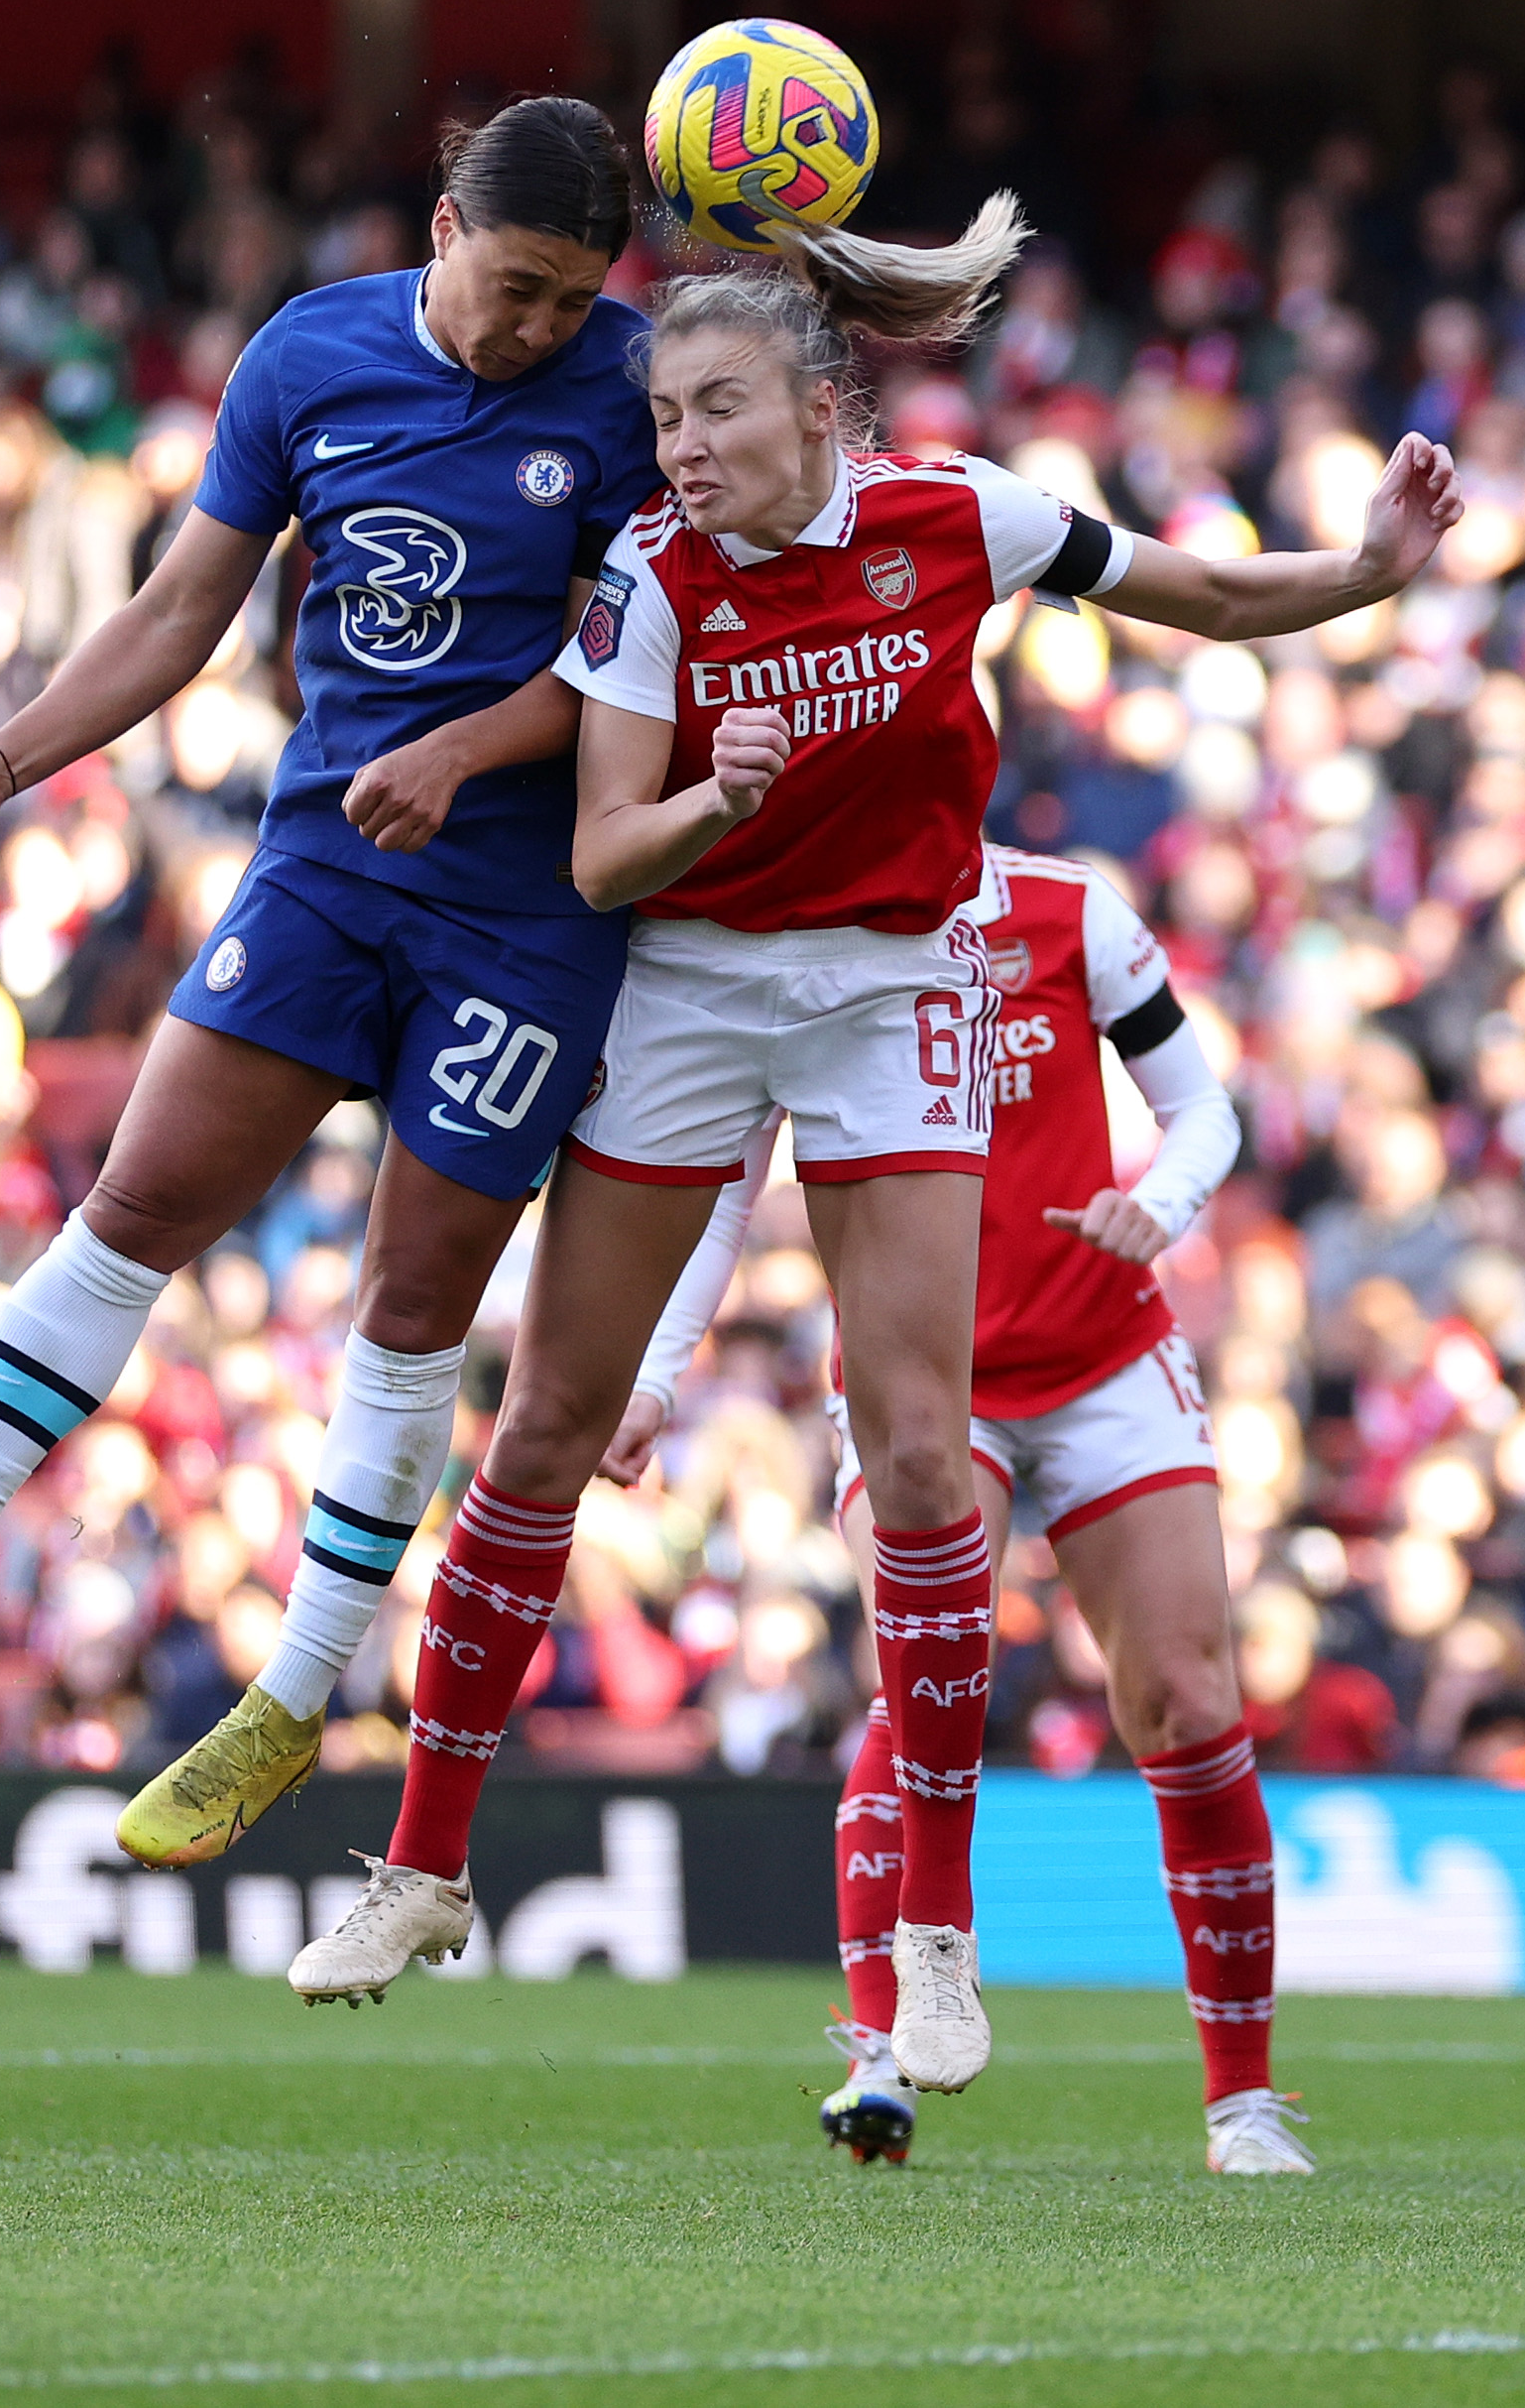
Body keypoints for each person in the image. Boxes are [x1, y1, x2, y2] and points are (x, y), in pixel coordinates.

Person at [280, 193, 1459, 2107]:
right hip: (688, 990)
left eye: (715, 408)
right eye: (663, 416)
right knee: (550, 1426)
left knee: (921, 1449)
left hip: (892, 984)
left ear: (824, 406)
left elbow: (1209, 595)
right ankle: (421, 1866)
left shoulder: (962, 515)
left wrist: (1371, 573)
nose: (680, 448)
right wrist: (707, 804)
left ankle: (928, 1935)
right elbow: (599, 857)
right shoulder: (649, 580)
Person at [0, 102, 662, 1883]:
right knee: (137, 1202)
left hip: (529, 916)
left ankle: (295, 1695)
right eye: (520, 287)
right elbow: (180, 612)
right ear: (445, 221)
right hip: (327, 866)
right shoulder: (308, 354)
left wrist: (469, 749)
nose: (541, 329)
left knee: (406, 1304)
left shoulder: (632, 392)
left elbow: (630, 667)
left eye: (570, 302)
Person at [598, 842, 1310, 2175]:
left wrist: (1160, 1203)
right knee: (925, 1673)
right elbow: (724, 1185)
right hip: (924, 1379)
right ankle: (884, 2047)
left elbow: (1204, 1110)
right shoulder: (793, 924)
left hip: (1105, 1354)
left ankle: (1245, 2103)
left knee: (1190, 1700)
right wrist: (651, 1372)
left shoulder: (1069, 908)